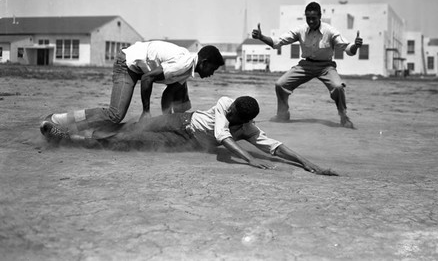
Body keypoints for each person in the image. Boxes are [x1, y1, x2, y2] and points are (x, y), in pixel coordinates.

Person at [40, 96, 339, 176]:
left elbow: (275, 147)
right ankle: (70, 125)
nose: (231, 113)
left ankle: (66, 139)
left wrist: (308, 163)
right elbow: (224, 138)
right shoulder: (225, 103)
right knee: (129, 126)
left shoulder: (248, 127)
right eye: (233, 111)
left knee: (130, 143)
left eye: (236, 116)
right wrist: (250, 160)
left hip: (185, 140)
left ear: (245, 120)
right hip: (180, 120)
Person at [46, 40, 225, 133]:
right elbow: (147, 78)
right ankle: (60, 121)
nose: (212, 73)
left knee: (182, 98)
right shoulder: (183, 63)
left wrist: (167, 121)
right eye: (213, 68)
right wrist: (146, 111)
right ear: (204, 62)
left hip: (137, 68)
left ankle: (69, 125)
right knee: (115, 114)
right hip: (127, 64)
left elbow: (167, 95)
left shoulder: (187, 69)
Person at [252, 1, 363, 128]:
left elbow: (348, 49)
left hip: (326, 67)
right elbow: (278, 42)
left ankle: (343, 116)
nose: (310, 21)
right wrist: (261, 37)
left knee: (338, 87)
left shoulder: (330, 31)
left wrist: (356, 46)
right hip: (305, 65)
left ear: (320, 16)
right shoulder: (300, 30)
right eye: (308, 18)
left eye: (313, 18)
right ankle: (282, 114)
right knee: (280, 84)